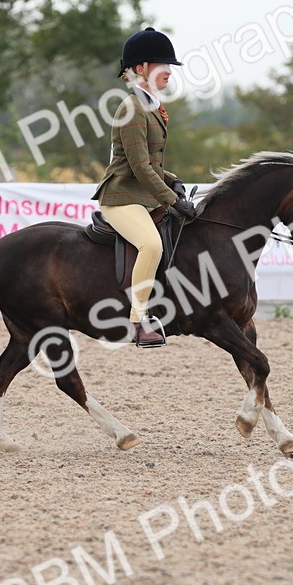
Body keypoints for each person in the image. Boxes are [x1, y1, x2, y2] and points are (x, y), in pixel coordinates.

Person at [93, 27, 198, 348]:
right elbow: (139, 167)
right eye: (161, 65)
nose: (169, 71)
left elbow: (153, 165)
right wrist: (172, 199)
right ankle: (138, 321)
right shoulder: (132, 109)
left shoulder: (151, 106)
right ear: (140, 69)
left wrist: (173, 180)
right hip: (122, 197)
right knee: (151, 245)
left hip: (143, 195)